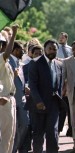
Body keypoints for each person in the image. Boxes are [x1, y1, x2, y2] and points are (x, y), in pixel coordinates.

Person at [29, 39, 63, 153]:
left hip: (53, 103)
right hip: (38, 104)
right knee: (38, 133)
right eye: (50, 48)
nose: (52, 51)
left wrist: (60, 102)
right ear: (45, 49)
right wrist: (38, 101)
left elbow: (59, 85)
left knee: (52, 132)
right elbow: (32, 85)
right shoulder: (35, 63)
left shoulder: (59, 64)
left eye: (55, 49)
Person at [9, 41, 30, 153]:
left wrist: (25, 86)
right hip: (11, 99)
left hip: (21, 99)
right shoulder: (7, 61)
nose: (24, 51)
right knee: (13, 127)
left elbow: (22, 80)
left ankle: (14, 148)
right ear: (15, 50)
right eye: (22, 49)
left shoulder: (19, 63)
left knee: (25, 124)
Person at [0, 25, 18, 153]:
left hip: (10, 99)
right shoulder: (2, 57)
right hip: (3, 100)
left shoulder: (4, 59)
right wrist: (15, 33)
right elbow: (8, 51)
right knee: (4, 138)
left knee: (10, 137)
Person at [57, 32, 73, 136]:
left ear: (66, 38)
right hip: (60, 76)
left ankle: (71, 129)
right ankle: (58, 129)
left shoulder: (70, 49)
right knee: (62, 106)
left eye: (62, 38)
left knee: (71, 107)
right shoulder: (56, 48)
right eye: (60, 37)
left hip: (70, 77)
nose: (60, 39)